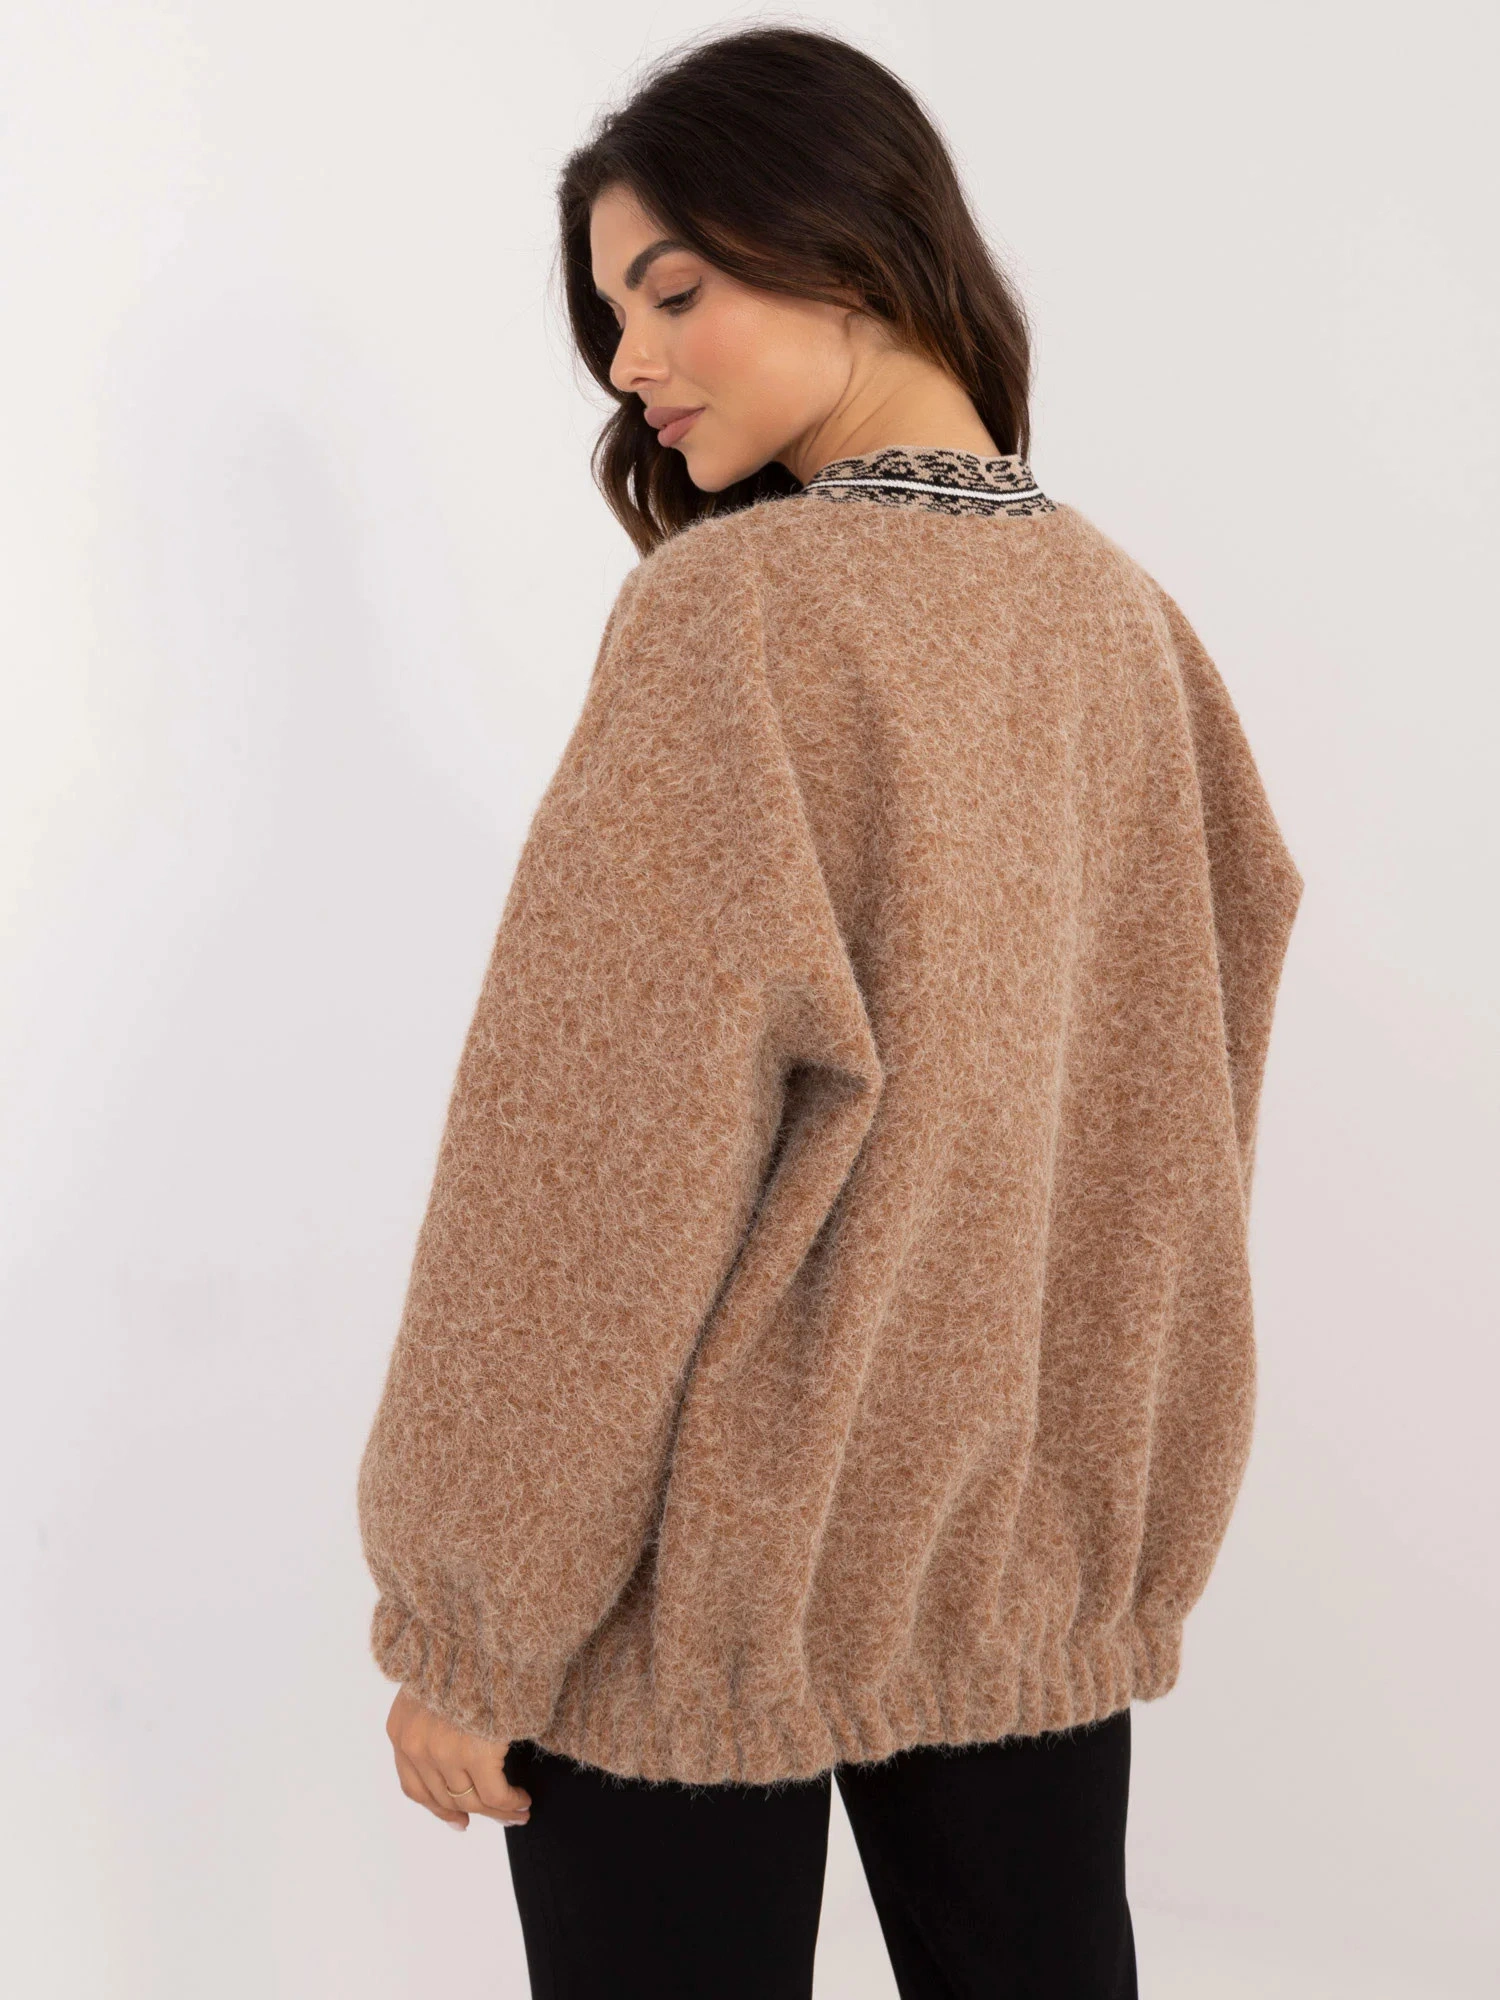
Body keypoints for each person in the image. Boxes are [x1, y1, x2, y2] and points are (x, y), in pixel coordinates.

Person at [355, 25, 1303, 2000]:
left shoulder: (740, 616)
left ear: (850, 248)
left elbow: (597, 1152)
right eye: (612, 317)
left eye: (673, 289)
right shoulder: (1134, 631)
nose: (629, 362)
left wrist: (472, 1619)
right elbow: (1180, 1135)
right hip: (1019, 1571)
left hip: (700, 1584)